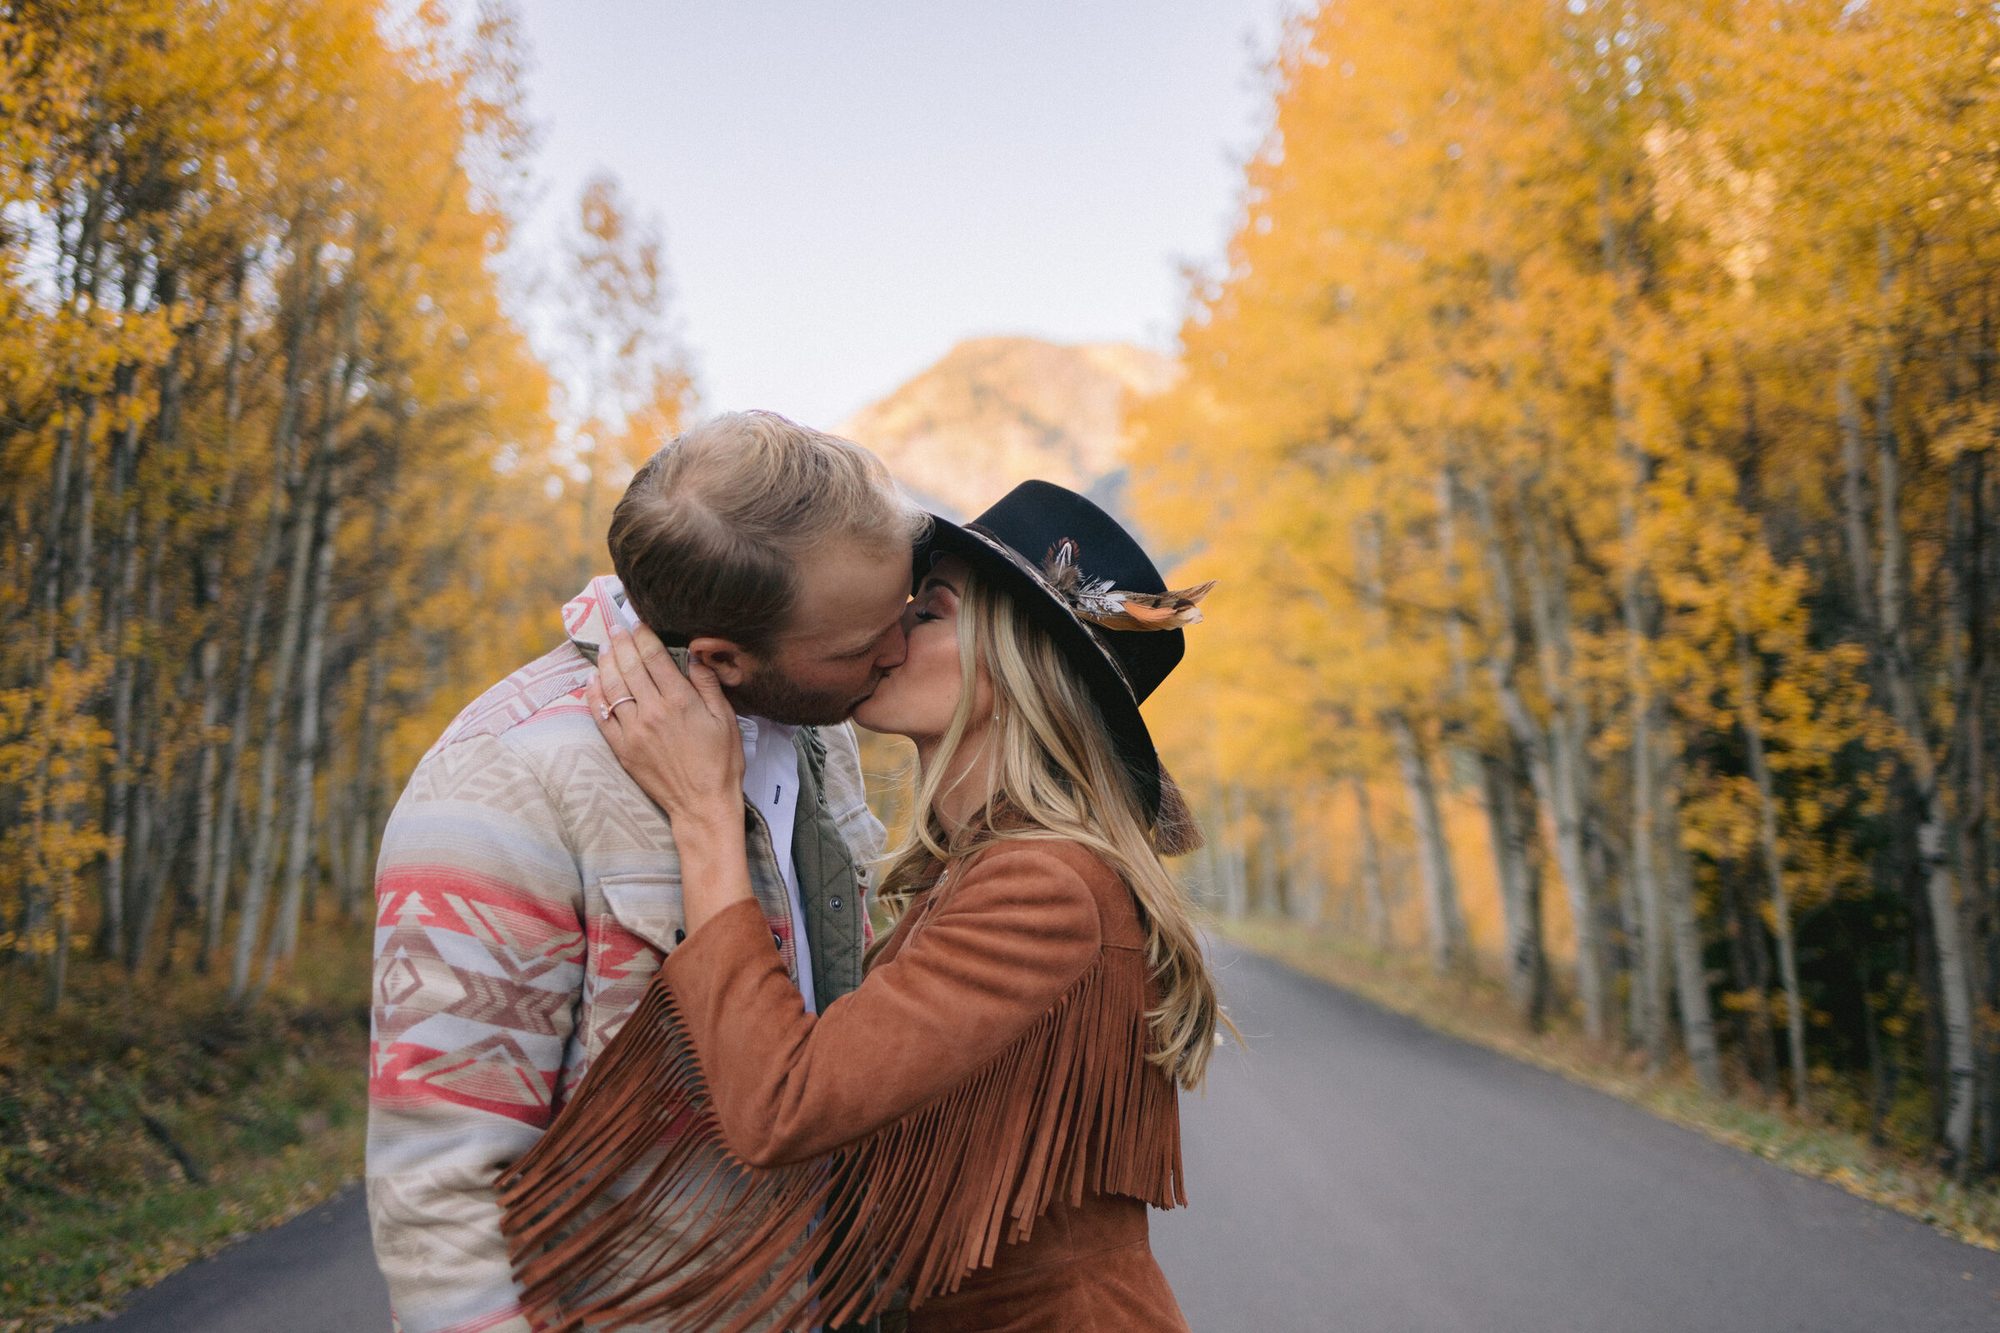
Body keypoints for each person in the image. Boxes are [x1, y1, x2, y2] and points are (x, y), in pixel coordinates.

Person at [497, 480, 1227, 1332]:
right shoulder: (988, 869)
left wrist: (704, 813)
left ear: (1016, 666)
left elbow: (782, 1103)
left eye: (930, 613)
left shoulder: (1045, 885)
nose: (890, 635)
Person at [365, 411, 922, 1333]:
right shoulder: (507, 779)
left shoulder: (820, 736)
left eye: (900, 616)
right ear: (723, 659)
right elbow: (440, 1188)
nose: (898, 653)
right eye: (861, 646)